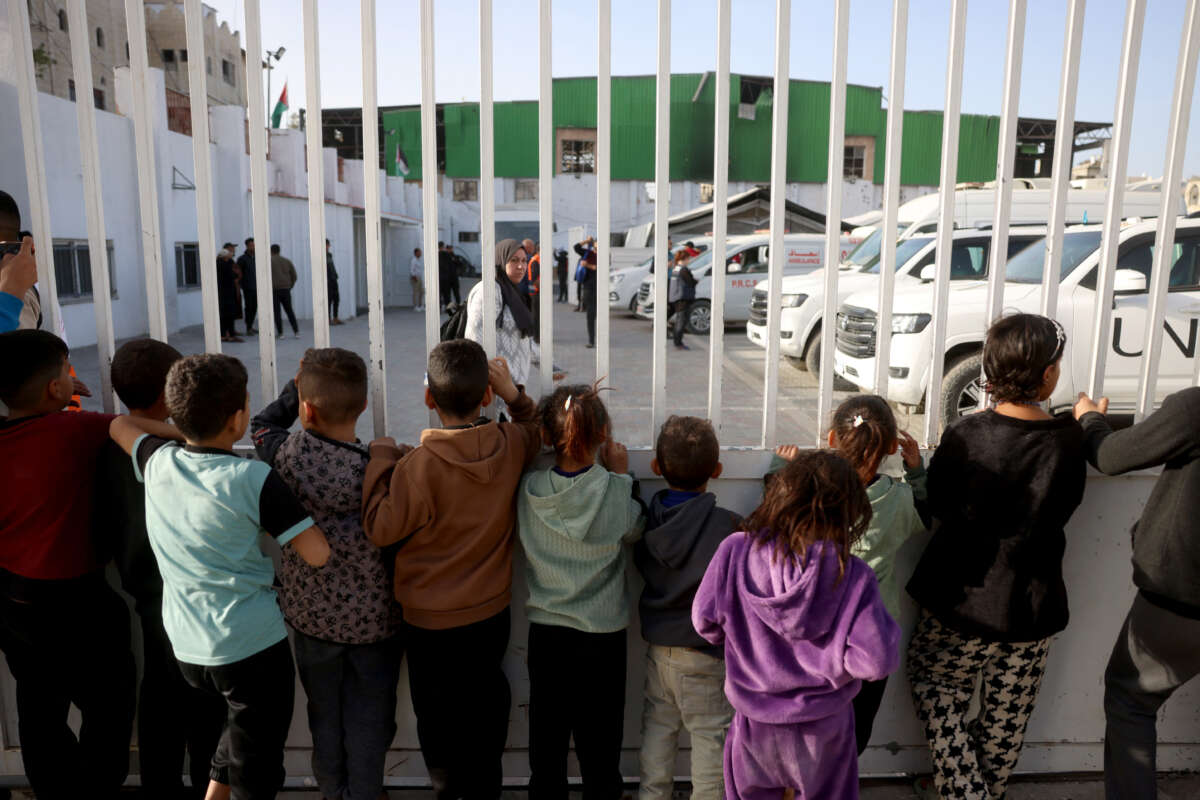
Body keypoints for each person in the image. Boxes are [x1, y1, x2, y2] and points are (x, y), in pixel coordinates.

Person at [110, 353, 331, 800]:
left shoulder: (158, 463)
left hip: (187, 646)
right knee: (258, 767)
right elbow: (318, 553)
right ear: (238, 418)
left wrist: (181, 430)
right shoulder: (253, 478)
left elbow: (119, 427)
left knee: (235, 730)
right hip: (251, 649)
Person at [906, 313, 1086, 800]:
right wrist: (1089, 418)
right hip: (1032, 604)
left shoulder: (968, 435)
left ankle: (964, 790)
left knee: (934, 683)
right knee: (1008, 714)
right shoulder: (1070, 441)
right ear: (1048, 375)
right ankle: (979, 790)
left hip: (961, 600)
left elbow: (939, 506)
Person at [362, 342, 540, 800]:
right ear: (487, 396)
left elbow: (381, 529)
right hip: (488, 614)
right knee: (485, 708)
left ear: (428, 399)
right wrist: (513, 395)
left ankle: (448, 789)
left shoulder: (415, 467)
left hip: (427, 623)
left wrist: (381, 460)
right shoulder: (509, 445)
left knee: (438, 721)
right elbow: (536, 426)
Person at [693, 450, 901, 800]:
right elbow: (876, 661)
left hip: (754, 725)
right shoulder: (853, 575)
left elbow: (704, 622)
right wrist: (835, 660)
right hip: (825, 729)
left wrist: (746, 641)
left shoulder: (735, 550)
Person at [0, 329, 152, 800]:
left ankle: (55, 790)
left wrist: (61, 395)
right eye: (67, 373)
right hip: (79, 601)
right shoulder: (76, 430)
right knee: (110, 701)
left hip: (12, 600)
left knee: (38, 705)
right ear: (53, 389)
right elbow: (143, 431)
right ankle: (98, 788)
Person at [251, 348, 403, 800]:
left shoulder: (287, 457)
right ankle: (366, 792)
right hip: (376, 626)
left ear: (306, 408)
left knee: (325, 716)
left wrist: (293, 390)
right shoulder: (378, 471)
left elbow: (261, 425)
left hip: (312, 624)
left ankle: (331, 790)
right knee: (372, 720)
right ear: (362, 406)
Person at [97, 339, 227, 800]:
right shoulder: (183, 456)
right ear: (171, 395)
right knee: (206, 706)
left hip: (147, 598)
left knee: (159, 703)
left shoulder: (109, 449)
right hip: (192, 601)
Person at [775, 395, 930, 755]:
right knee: (855, 731)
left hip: (817, 631)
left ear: (831, 439)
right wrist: (917, 471)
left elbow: (775, 512)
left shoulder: (810, 494)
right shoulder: (899, 499)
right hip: (872, 634)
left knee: (809, 725)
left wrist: (783, 469)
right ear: (893, 446)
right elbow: (925, 515)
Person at [1071, 387, 1200, 800]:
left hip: (1179, 599)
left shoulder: (1195, 408)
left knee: (1131, 700)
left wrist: (1089, 418)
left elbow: (1110, 457)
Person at [518, 383, 645, 800]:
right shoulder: (614, 489)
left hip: (547, 633)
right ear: (603, 434)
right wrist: (622, 474)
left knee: (547, 736)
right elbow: (635, 529)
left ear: (546, 438)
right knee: (601, 739)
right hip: (602, 635)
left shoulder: (530, 491)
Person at [634, 415, 735, 800]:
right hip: (705, 657)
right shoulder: (726, 527)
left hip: (659, 653)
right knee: (711, 743)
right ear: (718, 470)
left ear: (657, 468)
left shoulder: (644, 519)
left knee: (658, 734)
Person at [464, 239, 536, 418]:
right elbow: (474, 340)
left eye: (524, 260)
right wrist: (490, 382)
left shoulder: (512, 292)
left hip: (511, 391)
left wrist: (547, 365)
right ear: (500, 260)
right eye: (514, 260)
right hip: (493, 393)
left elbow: (521, 338)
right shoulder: (490, 291)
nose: (521, 266)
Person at [668, 251, 697, 351]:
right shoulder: (683, 270)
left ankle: (677, 341)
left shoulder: (676, 268)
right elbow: (691, 282)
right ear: (685, 259)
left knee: (679, 321)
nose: (689, 261)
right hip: (682, 299)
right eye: (688, 258)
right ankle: (678, 343)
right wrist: (696, 281)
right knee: (681, 321)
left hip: (675, 297)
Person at [271, 244, 300, 339]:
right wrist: (289, 286)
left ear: (271, 251)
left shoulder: (269, 261)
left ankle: (280, 333)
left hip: (274, 290)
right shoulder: (287, 261)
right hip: (286, 289)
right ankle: (296, 331)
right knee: (289, 311)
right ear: (279, 251)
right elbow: (294, 276)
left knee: (277, 312)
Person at [574, 237, 598, 348]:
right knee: (590, 315)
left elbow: (598, 267)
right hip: (588, 288)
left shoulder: (605, 255)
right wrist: (586, 241)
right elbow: (576, 247)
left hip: (600, 288)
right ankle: (591, 340)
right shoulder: (588, 253)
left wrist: (587, 265)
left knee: (599, 315)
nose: (597, 246)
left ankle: (600, 338)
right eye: (596, 243)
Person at [217, 243, 244, 343]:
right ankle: (229, 335)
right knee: (228, 314)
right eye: (230, 251)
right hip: (226, 293)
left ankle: (226, 334)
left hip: (226, 293)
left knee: (226, 314)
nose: (232, 252)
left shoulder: (223, 263)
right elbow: (233, 275)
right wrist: (236, 274)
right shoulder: (224, 264)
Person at [521, 238, 542, 342]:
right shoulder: (535, 260)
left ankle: (534, 335)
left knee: (534, 315)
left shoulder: (534, 259)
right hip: (534, 292)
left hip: (530, 291)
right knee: (536, 315)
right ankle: (535, 336)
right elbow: (534, 279)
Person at [238, 238, 258, 336]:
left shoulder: (257, 258)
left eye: (254, 245)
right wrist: (242, 285)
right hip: (248, 288)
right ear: (247, 246)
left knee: (255, 307)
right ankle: (248, 328)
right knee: (249, 308)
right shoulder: (242, 259)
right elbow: (238, 274)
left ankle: (251, 326)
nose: (253, 247)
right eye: (251, 245)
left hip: (257, 288)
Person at [438, 241, 461, 310]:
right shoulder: (445, 255)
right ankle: (445, 307)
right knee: (445, 294)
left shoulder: (452, 255)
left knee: (452, 293)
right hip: (446, 278)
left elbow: (459, 264)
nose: (449, 250)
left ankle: (455, 306)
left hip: (450, 278)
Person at [326, 239, 342, 326]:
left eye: (328, 245)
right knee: (329, 300)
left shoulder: (329, 255)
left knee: (336, 299)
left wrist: (335, 276)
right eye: (327, 245)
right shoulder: (321, 255)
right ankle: (327, 319)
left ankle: (335, 318)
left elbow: (332, 267)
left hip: (333, 280)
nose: (329, 246)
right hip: (328, 281)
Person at [410, 247, 425, 312]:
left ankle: (421, 305)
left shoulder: (419, 260)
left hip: (420, 277)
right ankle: (415, 306)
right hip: (415, 278)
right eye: (419, 252)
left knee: (422, 292)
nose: (421, 253)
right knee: (415, 292)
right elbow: (411, 269)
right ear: (416, 253)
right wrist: (414, 277)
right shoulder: (414, 260)